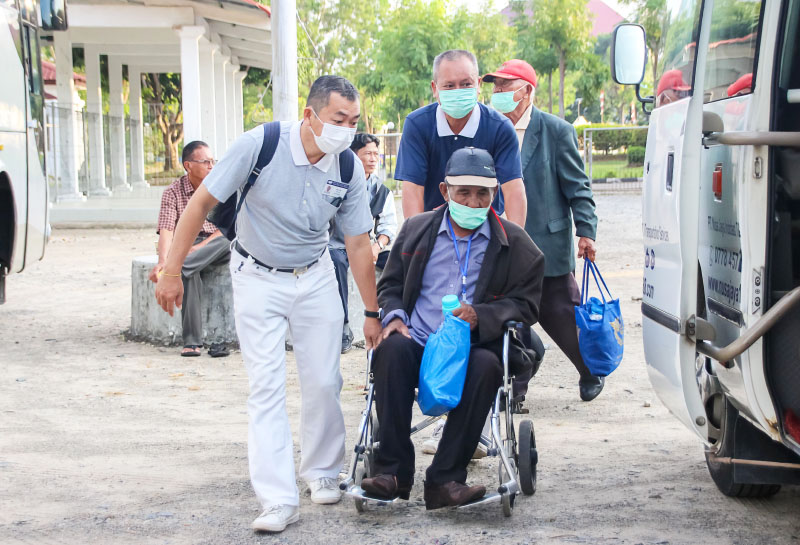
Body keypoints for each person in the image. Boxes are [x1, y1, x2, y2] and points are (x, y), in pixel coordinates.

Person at [154, 75, 383, 534]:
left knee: (324, 380)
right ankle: (277, 499)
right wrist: (172, 270)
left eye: (353, 121)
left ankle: (322, 471)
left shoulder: (347, 167)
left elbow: (359, 243)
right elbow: (199, 204)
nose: (346, 130)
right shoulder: (260, 145)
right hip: (257, 276)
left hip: (315, 275)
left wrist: (372, 312)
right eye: (338, 119)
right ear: (310, 115)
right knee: (266, 387)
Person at [360, 147, 544, 509]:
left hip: (472, 346)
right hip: (419, 339)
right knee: (391, 350)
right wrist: (394, 316)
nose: (474, 202)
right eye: (464, 193)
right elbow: (390, 285)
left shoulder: (514, 243)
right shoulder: (416, 230)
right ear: (445, 191)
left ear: (495, 193)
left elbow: (527, 304)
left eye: (483, 194)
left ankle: (445, 480)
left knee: (488, 366)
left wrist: (482, 315)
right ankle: (392, 472)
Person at [483, 59, 604, 402]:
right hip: (501, 245)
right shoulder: (490, 130)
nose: (497, 92)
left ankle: (589, 369)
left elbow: (578, 188)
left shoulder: (555, 131)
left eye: (505, 86)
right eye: (495, 86)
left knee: (562, 315)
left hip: (546, 245)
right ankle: (515, 387)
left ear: (526, 91)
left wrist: (586, 231)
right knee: (509, 316)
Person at [395, 49, 527, 227]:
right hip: (434, 228)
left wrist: (515, 240)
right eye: (449, 86)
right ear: (435, 88)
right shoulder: (418, 125)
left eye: (466, 84)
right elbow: (412, 189)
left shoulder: (500, 128)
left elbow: (513, 190)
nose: (458, 91)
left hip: (486, 229)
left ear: (478, 85)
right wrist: (417, 237)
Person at [149, 141, 230, 358]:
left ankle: (178, 267)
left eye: (213, 161)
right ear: (188, 165)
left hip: (219, 244)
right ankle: (192, 341)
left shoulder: (222, 187)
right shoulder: (172, 192)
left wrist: (194, 251)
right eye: (205, 162)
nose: (211, 166)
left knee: (229, 237)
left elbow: (227, 228)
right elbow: (167, 229)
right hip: (188, 245)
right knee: (188, 271)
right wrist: (163, 261)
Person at [329, 133, 398, 353]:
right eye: (367, 153)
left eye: (376, 154)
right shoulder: (337, 183)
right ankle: (343, 329)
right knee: (336, 262)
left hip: (369, 247)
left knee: (400, 262)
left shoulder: (381, 190)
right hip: (338, 246)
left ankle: (396, 319)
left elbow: (388, 226)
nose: (373, 158)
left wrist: (377, 247)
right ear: (353, 155)